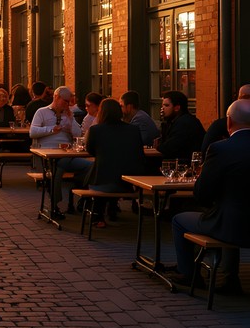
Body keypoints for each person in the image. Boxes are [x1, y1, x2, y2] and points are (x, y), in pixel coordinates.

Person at [170, 99, 250, 292]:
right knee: (227, 214)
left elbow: (201, 194)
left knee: (180, 220)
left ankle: (189, 274)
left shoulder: (220, 149)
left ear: (229, 121)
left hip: (232, 227)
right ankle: (236, 277)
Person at [85, 98, 146, 226]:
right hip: (128, 183)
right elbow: (139, 152)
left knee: (93, 172)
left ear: (101, 112)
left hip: (102, 182)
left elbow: (90, 151)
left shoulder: (96, 130)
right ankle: (112, 209)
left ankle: (97, 215)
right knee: (112, 169)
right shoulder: (133, 130)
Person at [29, 86, 88, 217]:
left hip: (67, 154)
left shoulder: (68, 114)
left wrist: (71, 120)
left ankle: (79, 197)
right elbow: (32, 132)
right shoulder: (42, 112)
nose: (67, 104)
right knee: (58, 168)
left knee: (89, 166)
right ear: (56, 97)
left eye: (69, 102)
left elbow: (78, 134)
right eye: (65, 101)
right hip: (48, 155)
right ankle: (55, 205)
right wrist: (51, 129)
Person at [155, 90, 204, 162]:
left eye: (166, 105)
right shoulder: (176, 121)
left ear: (177, 108)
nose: (163, 108)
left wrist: (158, 146)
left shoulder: (185, 123)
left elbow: (168, 148)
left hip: (185, 164)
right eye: (162, 105)